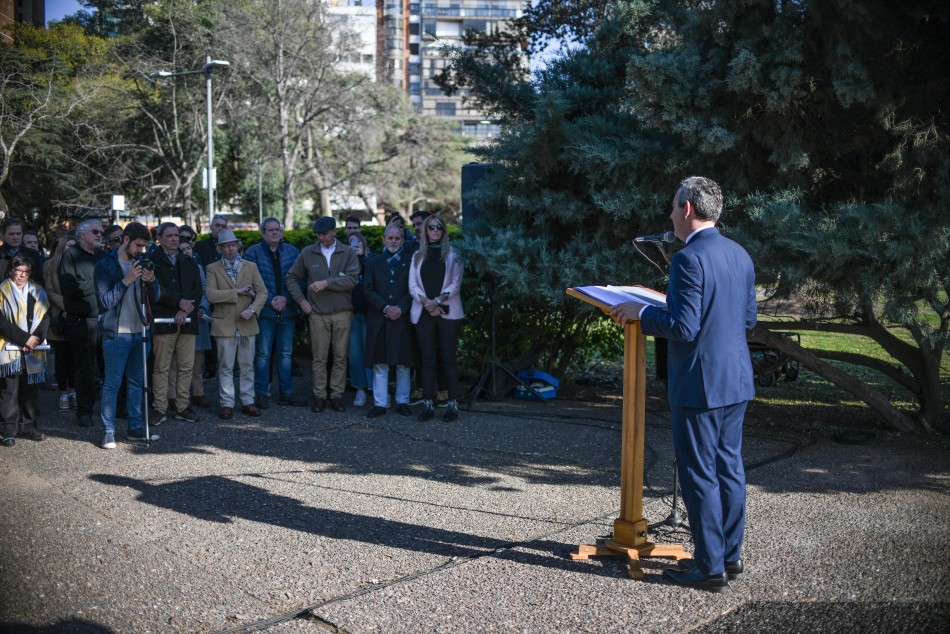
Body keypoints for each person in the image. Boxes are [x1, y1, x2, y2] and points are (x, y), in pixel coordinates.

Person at [610, 176, 757, 593]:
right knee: (729, 469)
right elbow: (747, 320)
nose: (671, 215)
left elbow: (683, 326)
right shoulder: (740, 254)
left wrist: (641, 312)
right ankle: (729, 556)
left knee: (699, 474)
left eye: (674, 207)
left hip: (700, 383)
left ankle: (708, 567)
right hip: (735, 380)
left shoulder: (688, 259)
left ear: (688, 209)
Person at [95, 222, 161, 448]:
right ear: (125, 240)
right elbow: (105, 301)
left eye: (144, 246)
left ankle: (135, 427)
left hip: (140, 332)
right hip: (117, 334)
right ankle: (109, 431)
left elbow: (156, 297)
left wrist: (152, 281)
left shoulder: (142, 262)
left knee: (137, 383)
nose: (141, 250)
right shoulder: (105, 265)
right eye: (138, 245)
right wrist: (127, 280)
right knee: (112, 384)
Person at [285, 216, 359, 413]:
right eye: (318, 234)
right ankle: (319, 396)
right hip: (317, 313)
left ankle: (336, 395)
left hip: (343, 312)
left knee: (340, 357)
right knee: (319, 358)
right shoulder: (308, 252)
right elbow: (291, 277)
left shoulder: (347, 252)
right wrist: (301, 301)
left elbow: (352, 279)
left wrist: (327, 283)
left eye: (325, 234)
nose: (321, 238)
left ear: (334, 231)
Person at [243, 217, 306, 408]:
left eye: (277, 229)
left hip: (287, 310)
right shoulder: (253, 252)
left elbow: (301, 279)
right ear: (263, 233)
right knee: (263, 354)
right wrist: (271, 299)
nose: (275, 232)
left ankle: (286, 393)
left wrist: (286, 298)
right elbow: (249, 282)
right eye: (270, 230)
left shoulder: (292, 252)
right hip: (265, 312)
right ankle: (261, 393)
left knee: (286, 354)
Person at [205, 230, 268, 420]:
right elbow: (210, 294)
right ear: (220, 248)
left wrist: (253, 309)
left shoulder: (250, 266)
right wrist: (236, 292)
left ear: (238, 245)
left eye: (232, 245)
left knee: (247, 365)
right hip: (224, 324)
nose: (230, 249)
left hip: (247, 322)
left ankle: (248, 401)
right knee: (225, 366)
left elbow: (263, 292)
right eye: (226, 246)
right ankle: (227, 403)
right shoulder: (212, 268)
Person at [409, 214, 463, 422]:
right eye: (431, 227)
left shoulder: (453, 255)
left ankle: (452, 404)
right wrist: (427, 303)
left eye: (439, 227)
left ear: (443, 231)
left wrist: (437, 301)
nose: (435, 231)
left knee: (448, 357)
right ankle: (427, 404)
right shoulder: (417, 256)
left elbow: (456, 283)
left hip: (448, 313)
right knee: (427, 359)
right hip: (424, 313)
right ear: (425, 230)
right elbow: (412, 285)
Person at [150, 222, 203, 424]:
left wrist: (185, 308)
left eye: (176, 235)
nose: (174, 239)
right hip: (164, 320)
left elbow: (197, 289)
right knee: (161, 368)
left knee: (186, 366)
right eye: (169, 235)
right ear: (159, 238)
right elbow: (154, 290)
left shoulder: (188, 260)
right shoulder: (152, 260)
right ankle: (159, 408)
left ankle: (182, 406)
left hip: (187, 320)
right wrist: (178, 304)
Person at [364, 224, 416, 418]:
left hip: (402, 318)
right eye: (390, 238)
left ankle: (403, 401)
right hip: (380, 318)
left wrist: (400, 308)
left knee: (403, 363)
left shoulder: (410, 262)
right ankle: (380, 403)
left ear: (402, 241)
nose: (394, 241)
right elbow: (368, 289)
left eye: (397, 238)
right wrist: (385, 307)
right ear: (383, 240)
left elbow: (413, 289)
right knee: (380, 362)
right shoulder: (372, 262)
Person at [59, 218, 105, 428]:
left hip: (104, 320)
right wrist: (98, 283)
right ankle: (85, 411)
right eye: (95, 231)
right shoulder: (71, 255)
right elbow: (70, 288)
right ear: (83, 234)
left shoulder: (103, 256)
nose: (99, 235)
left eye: (101, 232)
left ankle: (113, 408)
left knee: (107, 366)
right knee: (84, 368)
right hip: (82, 322)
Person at [0, 255, 50, 446]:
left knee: (31, 389)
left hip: (34, 347)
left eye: (26, 271)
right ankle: (8, 429)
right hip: (9, 346)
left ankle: (29, 425)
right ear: (11, 271)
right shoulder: (2, 291)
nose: (22, 275)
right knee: (9, 390)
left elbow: (45, 317)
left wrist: (36, 338)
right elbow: (2, 323)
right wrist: (24, 339)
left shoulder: (38, 291)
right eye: (19, 270)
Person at [176, 231, 212, 409]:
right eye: (182, 249)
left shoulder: (198, 267)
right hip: (179, 316)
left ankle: (198, 392)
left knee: (197, 360)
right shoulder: (174, 267)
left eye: (188, 248)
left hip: (197, 316)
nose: (186, 252)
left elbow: (204, 292)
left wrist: (202, 308)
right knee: (177, 362)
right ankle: (176, 396)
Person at [43, 234, 78, 412]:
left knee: (74, 357)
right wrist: (67, 307)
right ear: (62, 247)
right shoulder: (50, 265)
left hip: (77, 316)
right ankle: (63, 392)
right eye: (69, 245)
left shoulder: (80, 263)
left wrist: (72, 308)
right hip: (58, 316)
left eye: (74, 245)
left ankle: (73, 390)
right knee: (61, 357)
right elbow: (49, 291)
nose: (72, 248)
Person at [346, 231, 373, 407]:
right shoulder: (345, 266)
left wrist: (362, 258)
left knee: (371, 352)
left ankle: (374, 388)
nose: (354, 246)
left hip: (370, 314)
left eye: (358, 243)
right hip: (352, 314)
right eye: (351, 243)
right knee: (355, 354)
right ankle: (360, 389)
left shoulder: (371, 262)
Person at [0, 217, 44, 284]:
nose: (15, 237)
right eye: (11, 234)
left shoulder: (33, 254)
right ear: (3, 235)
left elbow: (39, 281)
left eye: (18, 234)